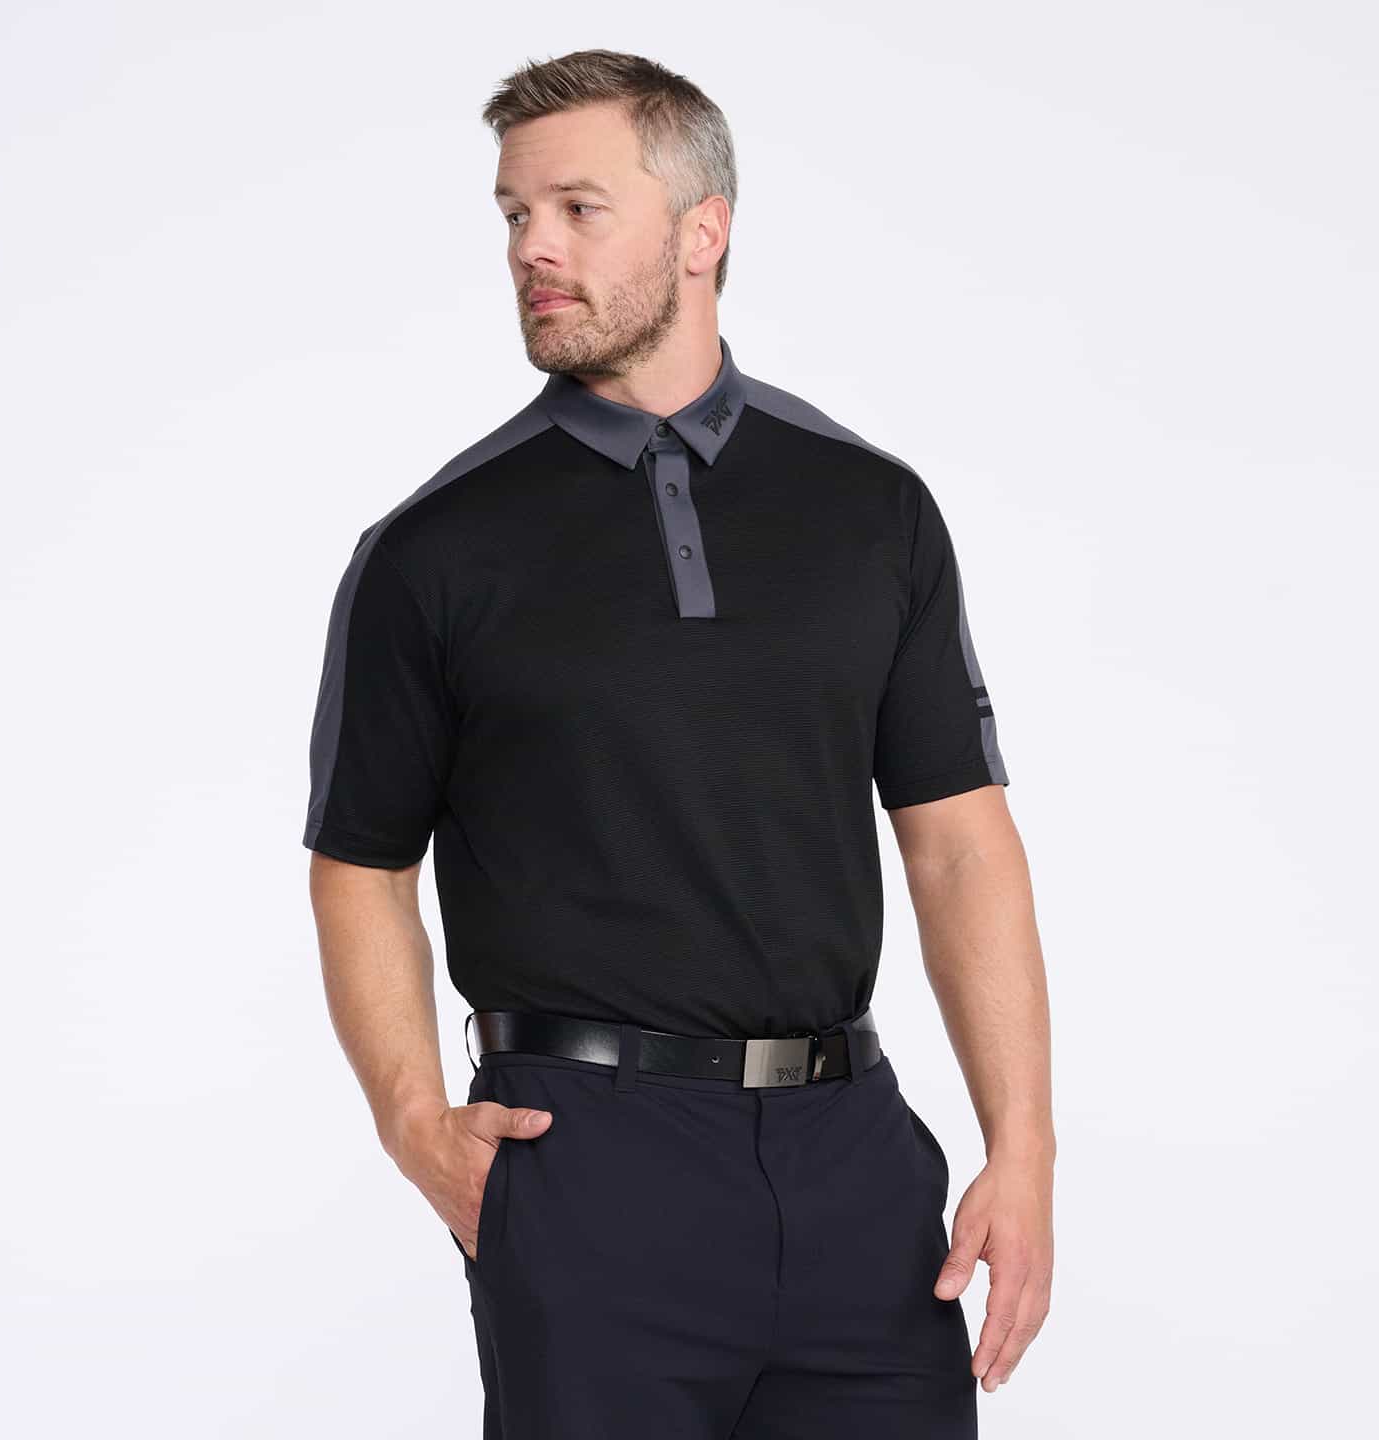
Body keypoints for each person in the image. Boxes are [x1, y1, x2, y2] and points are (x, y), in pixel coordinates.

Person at [303, 47, 1054, 1439]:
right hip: (588, 1157)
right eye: (514, 214)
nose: (532, 248)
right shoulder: (434, 550)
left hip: (854, 1157)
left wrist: (1024, 1149)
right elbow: (360, 864)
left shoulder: (871, 508)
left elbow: (958, 842)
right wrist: (417, 1126)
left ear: (703, 230)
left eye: (577, 210)